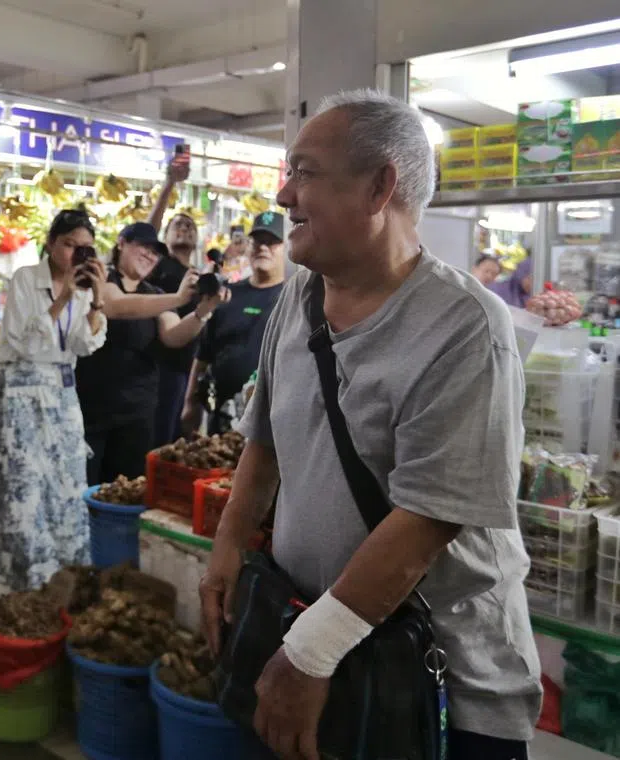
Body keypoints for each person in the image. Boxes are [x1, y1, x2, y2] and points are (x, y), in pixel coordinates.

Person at [200, 90, 541, 760]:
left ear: (380, 185)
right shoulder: (301, 292)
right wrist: (227, 547)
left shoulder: (465, 327)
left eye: (305, 172)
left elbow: (430, 518)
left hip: (434, 677)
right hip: (309, 636)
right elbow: (264, 436)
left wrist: (309, 654)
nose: (284, 193)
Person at [0, 210, 108, 598]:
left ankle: (62, 586)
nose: (73, 253)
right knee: (21, 494)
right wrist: (63, 296)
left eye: (81, 246)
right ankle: (18, 589)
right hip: (18, 395)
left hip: (61, 394)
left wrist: (97, 298)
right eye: (67, 243)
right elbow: (24, 343)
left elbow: (86, 346)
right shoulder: (25, 279)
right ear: (52, 243)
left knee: (67, 489)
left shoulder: (86, 290)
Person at [76, 222, 227, 485]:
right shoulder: (103, 279)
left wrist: (203, 311)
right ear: (121, 243)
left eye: (155, 252)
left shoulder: (155, 294)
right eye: (142, 247)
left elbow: (174, 335)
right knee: (84, 487)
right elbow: (116, 306)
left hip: (137, 412)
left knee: (128, 488)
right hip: (92, 410)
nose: (150, 255)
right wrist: (178, 298)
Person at [182, 211, 286, 437]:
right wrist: (190, 402)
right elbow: (203, 355)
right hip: (222, 417)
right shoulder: (227, 295)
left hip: (270, 424)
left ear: (286, 248)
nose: (262, 248)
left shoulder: (294, 300)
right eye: (257, 241)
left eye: (272, 242)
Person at [147, 155, 202, 447]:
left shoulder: (197, 276)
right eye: (177, 225)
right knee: (158, 445)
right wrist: (169, 184)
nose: (184, 228)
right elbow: (146, 234)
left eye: (190, 227)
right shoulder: (159, 265)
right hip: (159, 369)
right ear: (165, 237)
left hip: (185, 372)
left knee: (177, 445)